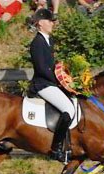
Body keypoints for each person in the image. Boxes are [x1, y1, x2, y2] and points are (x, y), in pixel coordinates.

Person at [29, 9, 75, 163]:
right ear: (41, 23)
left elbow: (53, 66)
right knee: (68, 109)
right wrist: (60, 82)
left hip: (51, 83)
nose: (52, 23)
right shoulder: (37, 43)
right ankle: (56, 148)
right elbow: (42, 69)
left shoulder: (49, 41)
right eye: (49, 21)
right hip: (43, 84)